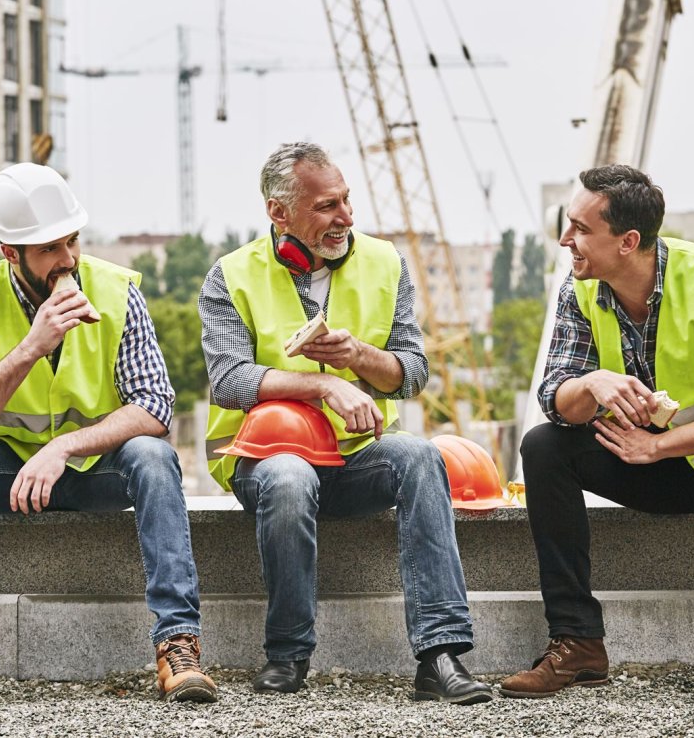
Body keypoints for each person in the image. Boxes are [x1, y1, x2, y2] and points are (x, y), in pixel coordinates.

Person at [0, 163, 216, 706]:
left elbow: (155, 407)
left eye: (71, 241)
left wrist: (63, 447)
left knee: (155, 456)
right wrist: (30, 347)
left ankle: (177, 647)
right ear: (9, 252)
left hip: (97, 467)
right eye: (48, 249)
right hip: (12, 474)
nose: (66, 260)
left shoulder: (118, 292)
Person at [502, 165, 694, 718]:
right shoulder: (578, 292)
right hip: (652, 463)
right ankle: (577, 642)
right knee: (543, 446)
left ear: (628, 242)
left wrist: (658, 446)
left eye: (579, 228)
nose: (564, 240)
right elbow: (555, 397)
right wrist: (591, 383)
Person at [197, 142, 492, 705]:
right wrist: (323, 384)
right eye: (327, 206)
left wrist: (357, 357)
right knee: (288, 479)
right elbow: (230, 380)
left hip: (357, 457)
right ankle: (287, 654)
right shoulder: (231, 276)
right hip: (264, 462)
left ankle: (440, 656)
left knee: (421, 456)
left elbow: (411, 372)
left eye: (346, 200)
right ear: (279, 213)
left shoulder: (385, 263)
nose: (346, 218)